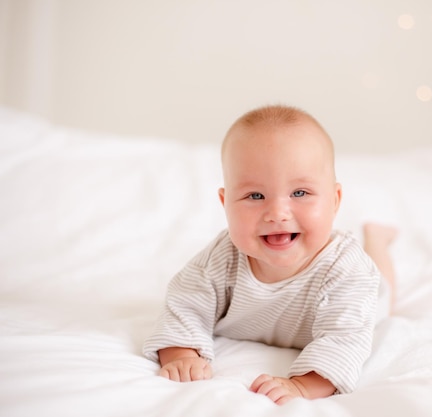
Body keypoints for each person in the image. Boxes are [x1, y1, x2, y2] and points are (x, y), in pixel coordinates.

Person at [143, 104, 396, 404]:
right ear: (225, 203)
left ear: (334, 200)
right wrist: (181, 354)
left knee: (387, 291)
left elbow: (345, 340)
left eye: (299, 193)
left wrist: (303, 386)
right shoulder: (220, 260)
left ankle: (376, 240)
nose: (277, 213)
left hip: (366, 302)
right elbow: (184, 307)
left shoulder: (350, 272)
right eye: (255, 196)